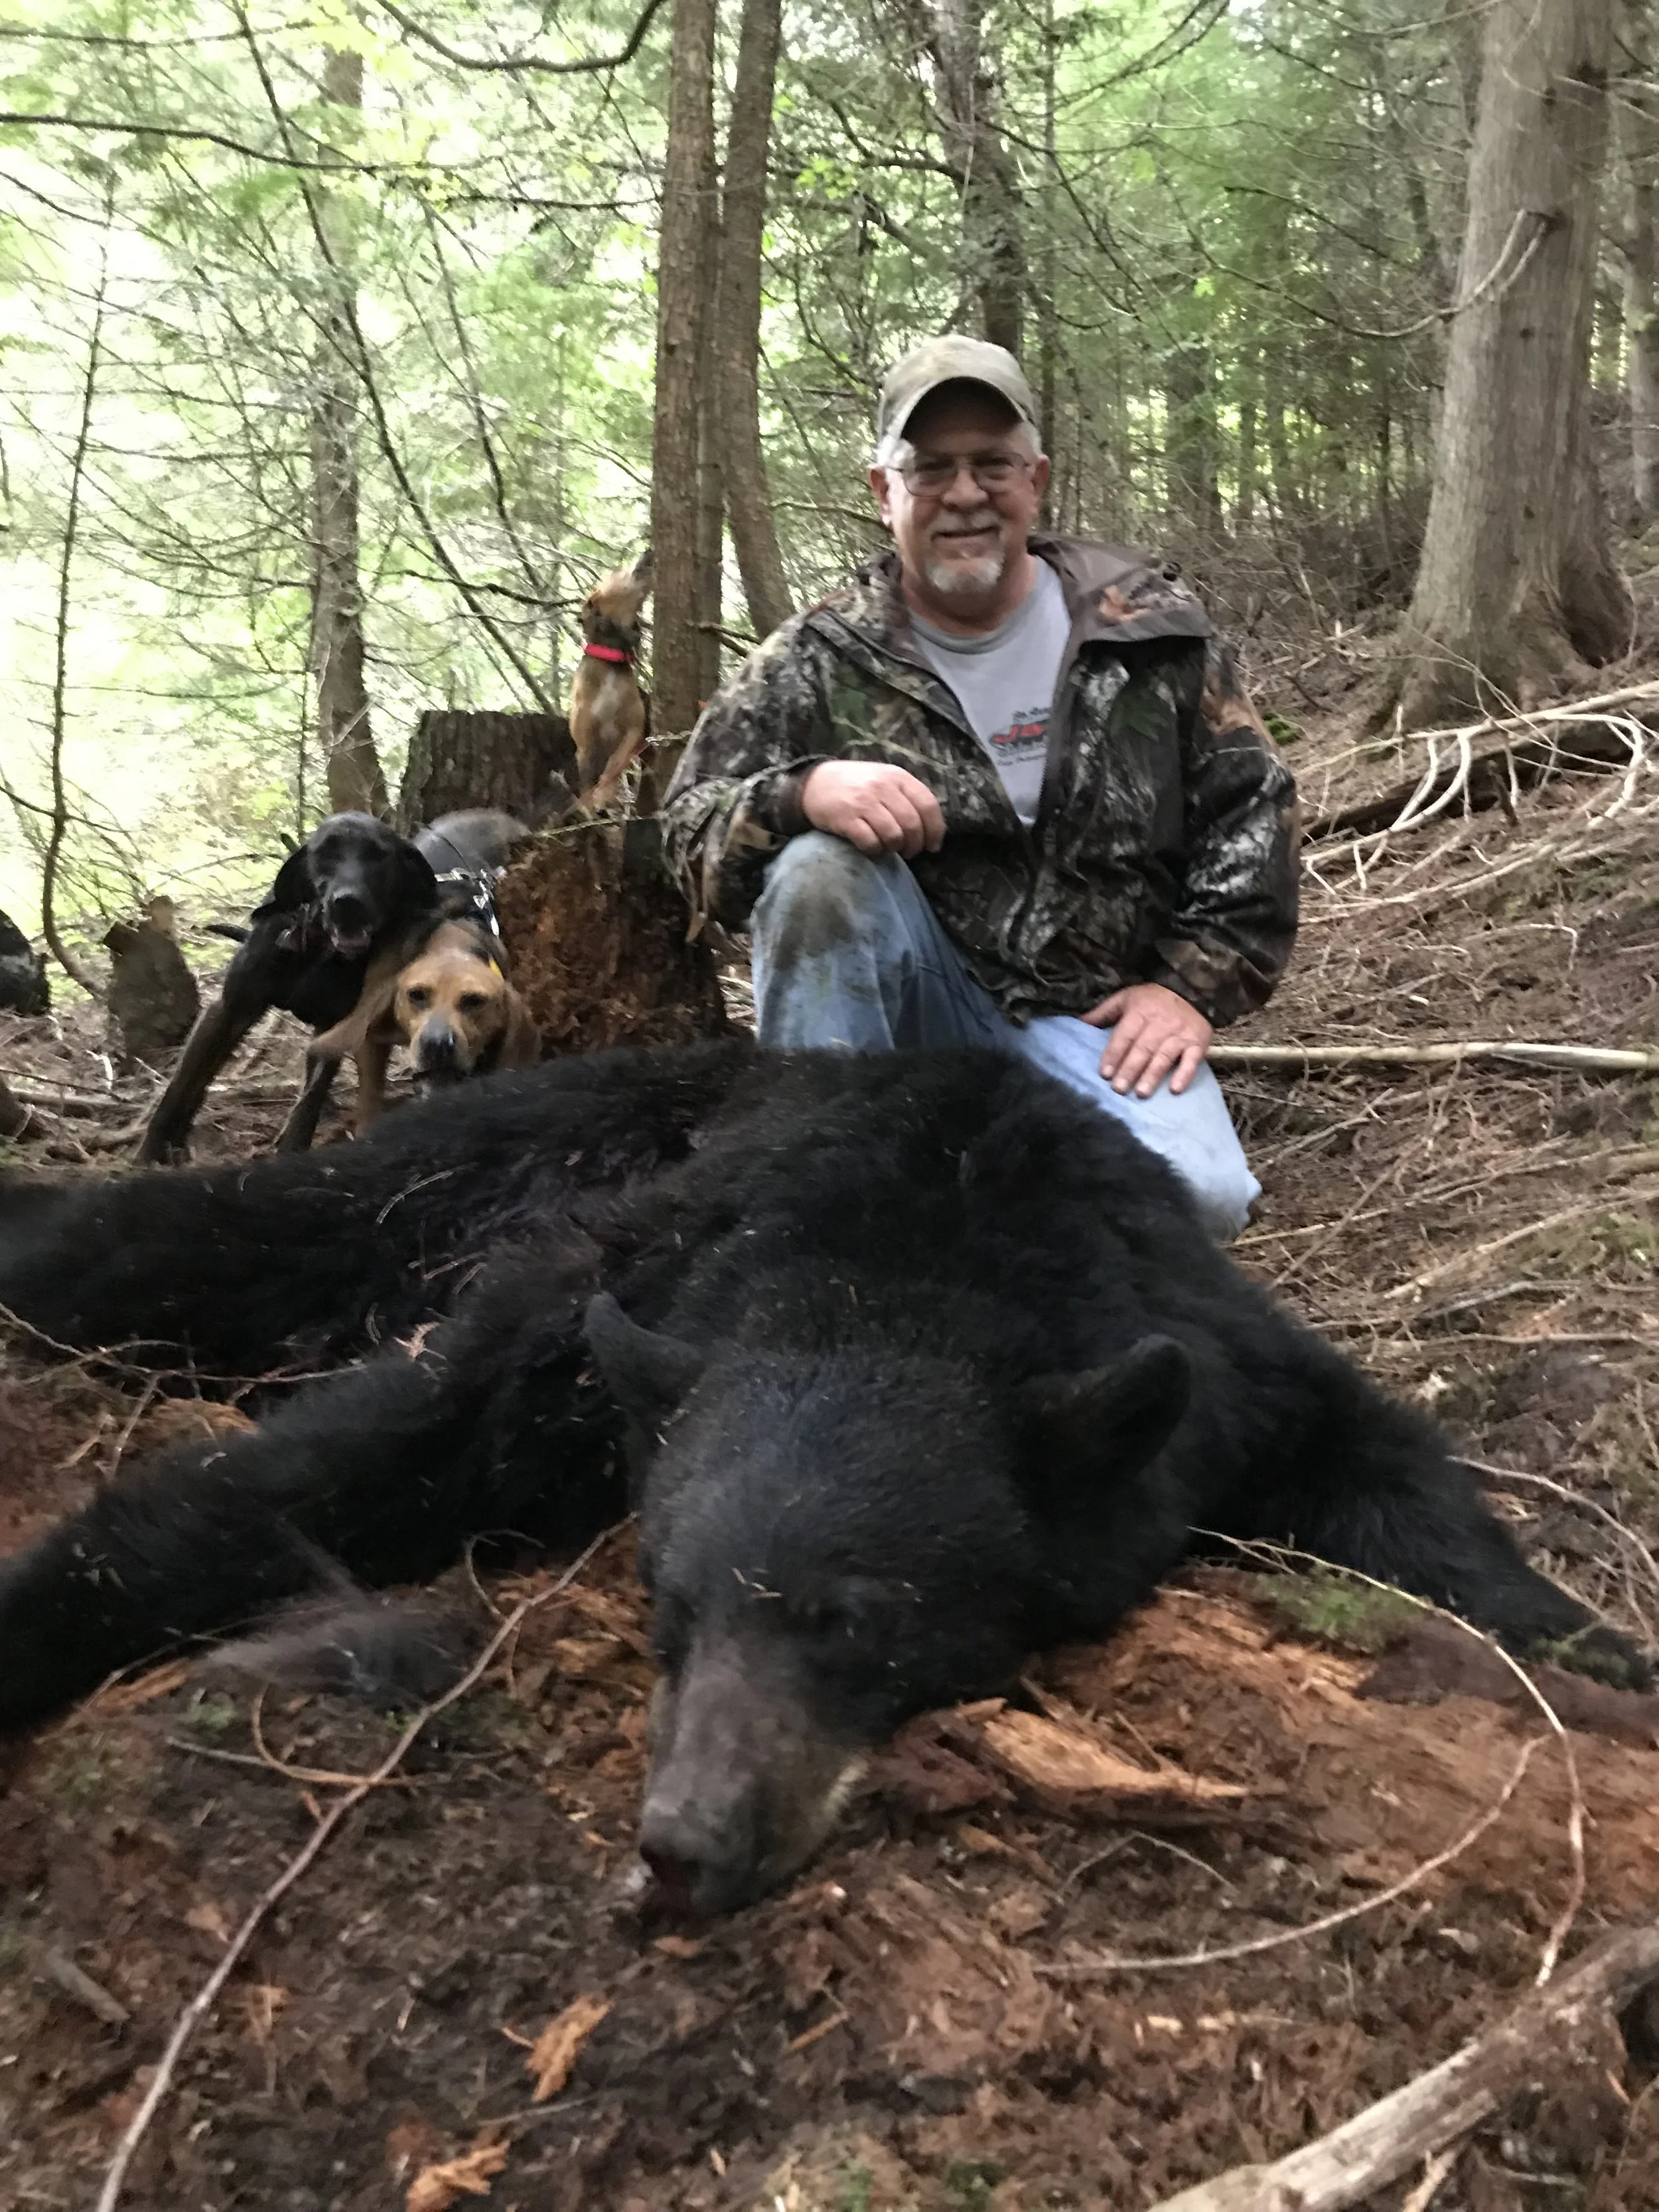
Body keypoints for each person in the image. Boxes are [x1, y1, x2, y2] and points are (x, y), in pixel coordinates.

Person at [660, 335, 1298, 1240]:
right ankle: (820, 1215)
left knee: (1197, 1200)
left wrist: (1188, 987)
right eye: (932, 469)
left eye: (992, 464)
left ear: (1034, 480)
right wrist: (799, 794)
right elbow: (683, 832)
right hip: (902, 1016)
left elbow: (1253, 811)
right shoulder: (815, 658)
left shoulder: (1149, 634)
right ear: (885, 493)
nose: (964, 494)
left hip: (1092, 1022)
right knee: (814, 875)